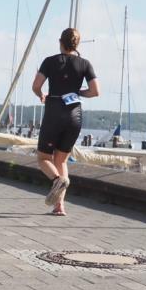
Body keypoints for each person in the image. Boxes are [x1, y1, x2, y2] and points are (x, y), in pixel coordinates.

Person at [32, 27, 100, 216]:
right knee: (61, 160)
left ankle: (56, 180)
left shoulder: (50, 61)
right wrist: (79, 92)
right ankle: (59, 206)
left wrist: (41, 95)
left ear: (60, 42)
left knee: (44, 158)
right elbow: (95, 91)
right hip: (74, 115)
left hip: (54, 112)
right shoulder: (85, 64)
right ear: (77, 44)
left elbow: (36, 86)